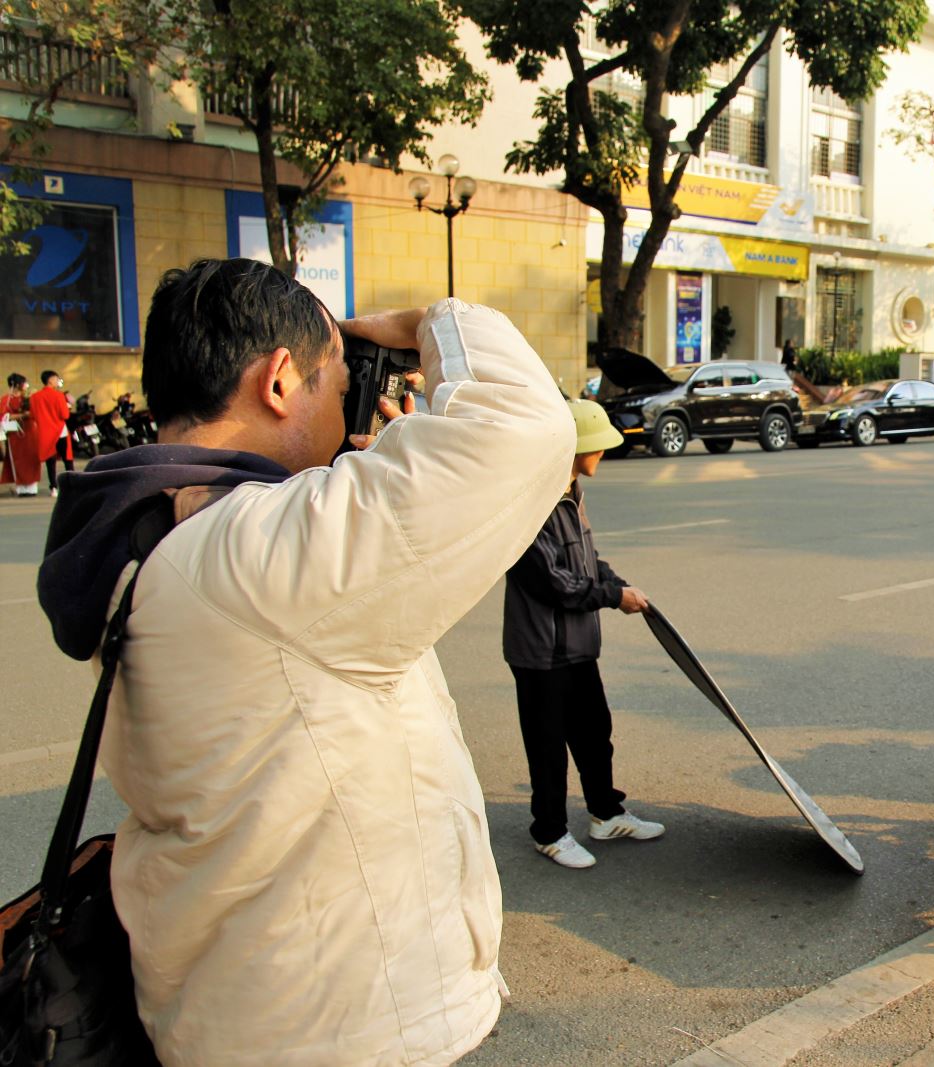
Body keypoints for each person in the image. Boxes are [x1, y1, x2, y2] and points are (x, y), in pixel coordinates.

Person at [36, 258, 576, 1066]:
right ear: (281, 379)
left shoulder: (144, 535)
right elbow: (522, 428)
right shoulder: (252, 553)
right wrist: (432, 321)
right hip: (337, 1028)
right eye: (332, 377)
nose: (341, 401)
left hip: (234, 1003)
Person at [504, 398, 662, 870]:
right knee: (548, 746)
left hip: (576, 646)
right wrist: (613, 598)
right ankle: (549, 832)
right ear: (576, 449)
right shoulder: (531, 503)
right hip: (540, 651)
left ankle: (606, 814)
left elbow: (586, 564)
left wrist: (618, 584)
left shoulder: (572, 494)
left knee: (595, 733)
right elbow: (551, 582)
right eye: (600, 446)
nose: (605, 454)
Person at [31, 368, 72, 496]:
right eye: (56, 378)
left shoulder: (34, 397)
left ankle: (53, 487)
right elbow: (65, 415)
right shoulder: (59, 396)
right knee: (67, 459)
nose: (57, 381)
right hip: (60, 431)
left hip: (45, 432)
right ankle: (72, 485)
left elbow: (33, 415)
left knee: (50, 462)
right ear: (50, 380)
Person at [2, 372, 40, 496]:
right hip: (16, 435)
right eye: (24, 383)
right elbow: (4, 416)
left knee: (32, 459)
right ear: (17, 384)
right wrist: (22, 415)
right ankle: (21, 488)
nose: (26, 385)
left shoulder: (28, 398)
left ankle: (32, 487)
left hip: (30, 432)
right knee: (18, 460)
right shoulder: (6, 400)